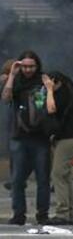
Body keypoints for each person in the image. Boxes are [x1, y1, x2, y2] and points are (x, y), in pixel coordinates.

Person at [1, 51, 50, 225]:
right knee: (17, 179)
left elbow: (45, 105)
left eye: (31, 66)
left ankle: (42, 214)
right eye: (25, 66)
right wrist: (12, 75)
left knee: (43, 178)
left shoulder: (42, 81)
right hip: (19, 137)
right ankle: (18, 214)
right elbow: (6, 98)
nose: (28, 70)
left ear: (37, 66)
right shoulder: (16, 82)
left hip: (40, 137)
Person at [43, 71, 73, 225]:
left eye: (48, 81)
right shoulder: (66, 91)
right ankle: (70, 214)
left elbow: (51, 109)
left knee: (57, 174)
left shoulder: (62, 94)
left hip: (68, 140)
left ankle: (62, 213)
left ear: (56, 81)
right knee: (65, 176)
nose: (45, 84)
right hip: (68, 139)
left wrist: (49, 90)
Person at [1, 59, 16, 192]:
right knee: (13, 154)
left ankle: (15, 180)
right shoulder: (5, 83)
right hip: (11, 124)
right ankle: (14, 180)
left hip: (23, 123)